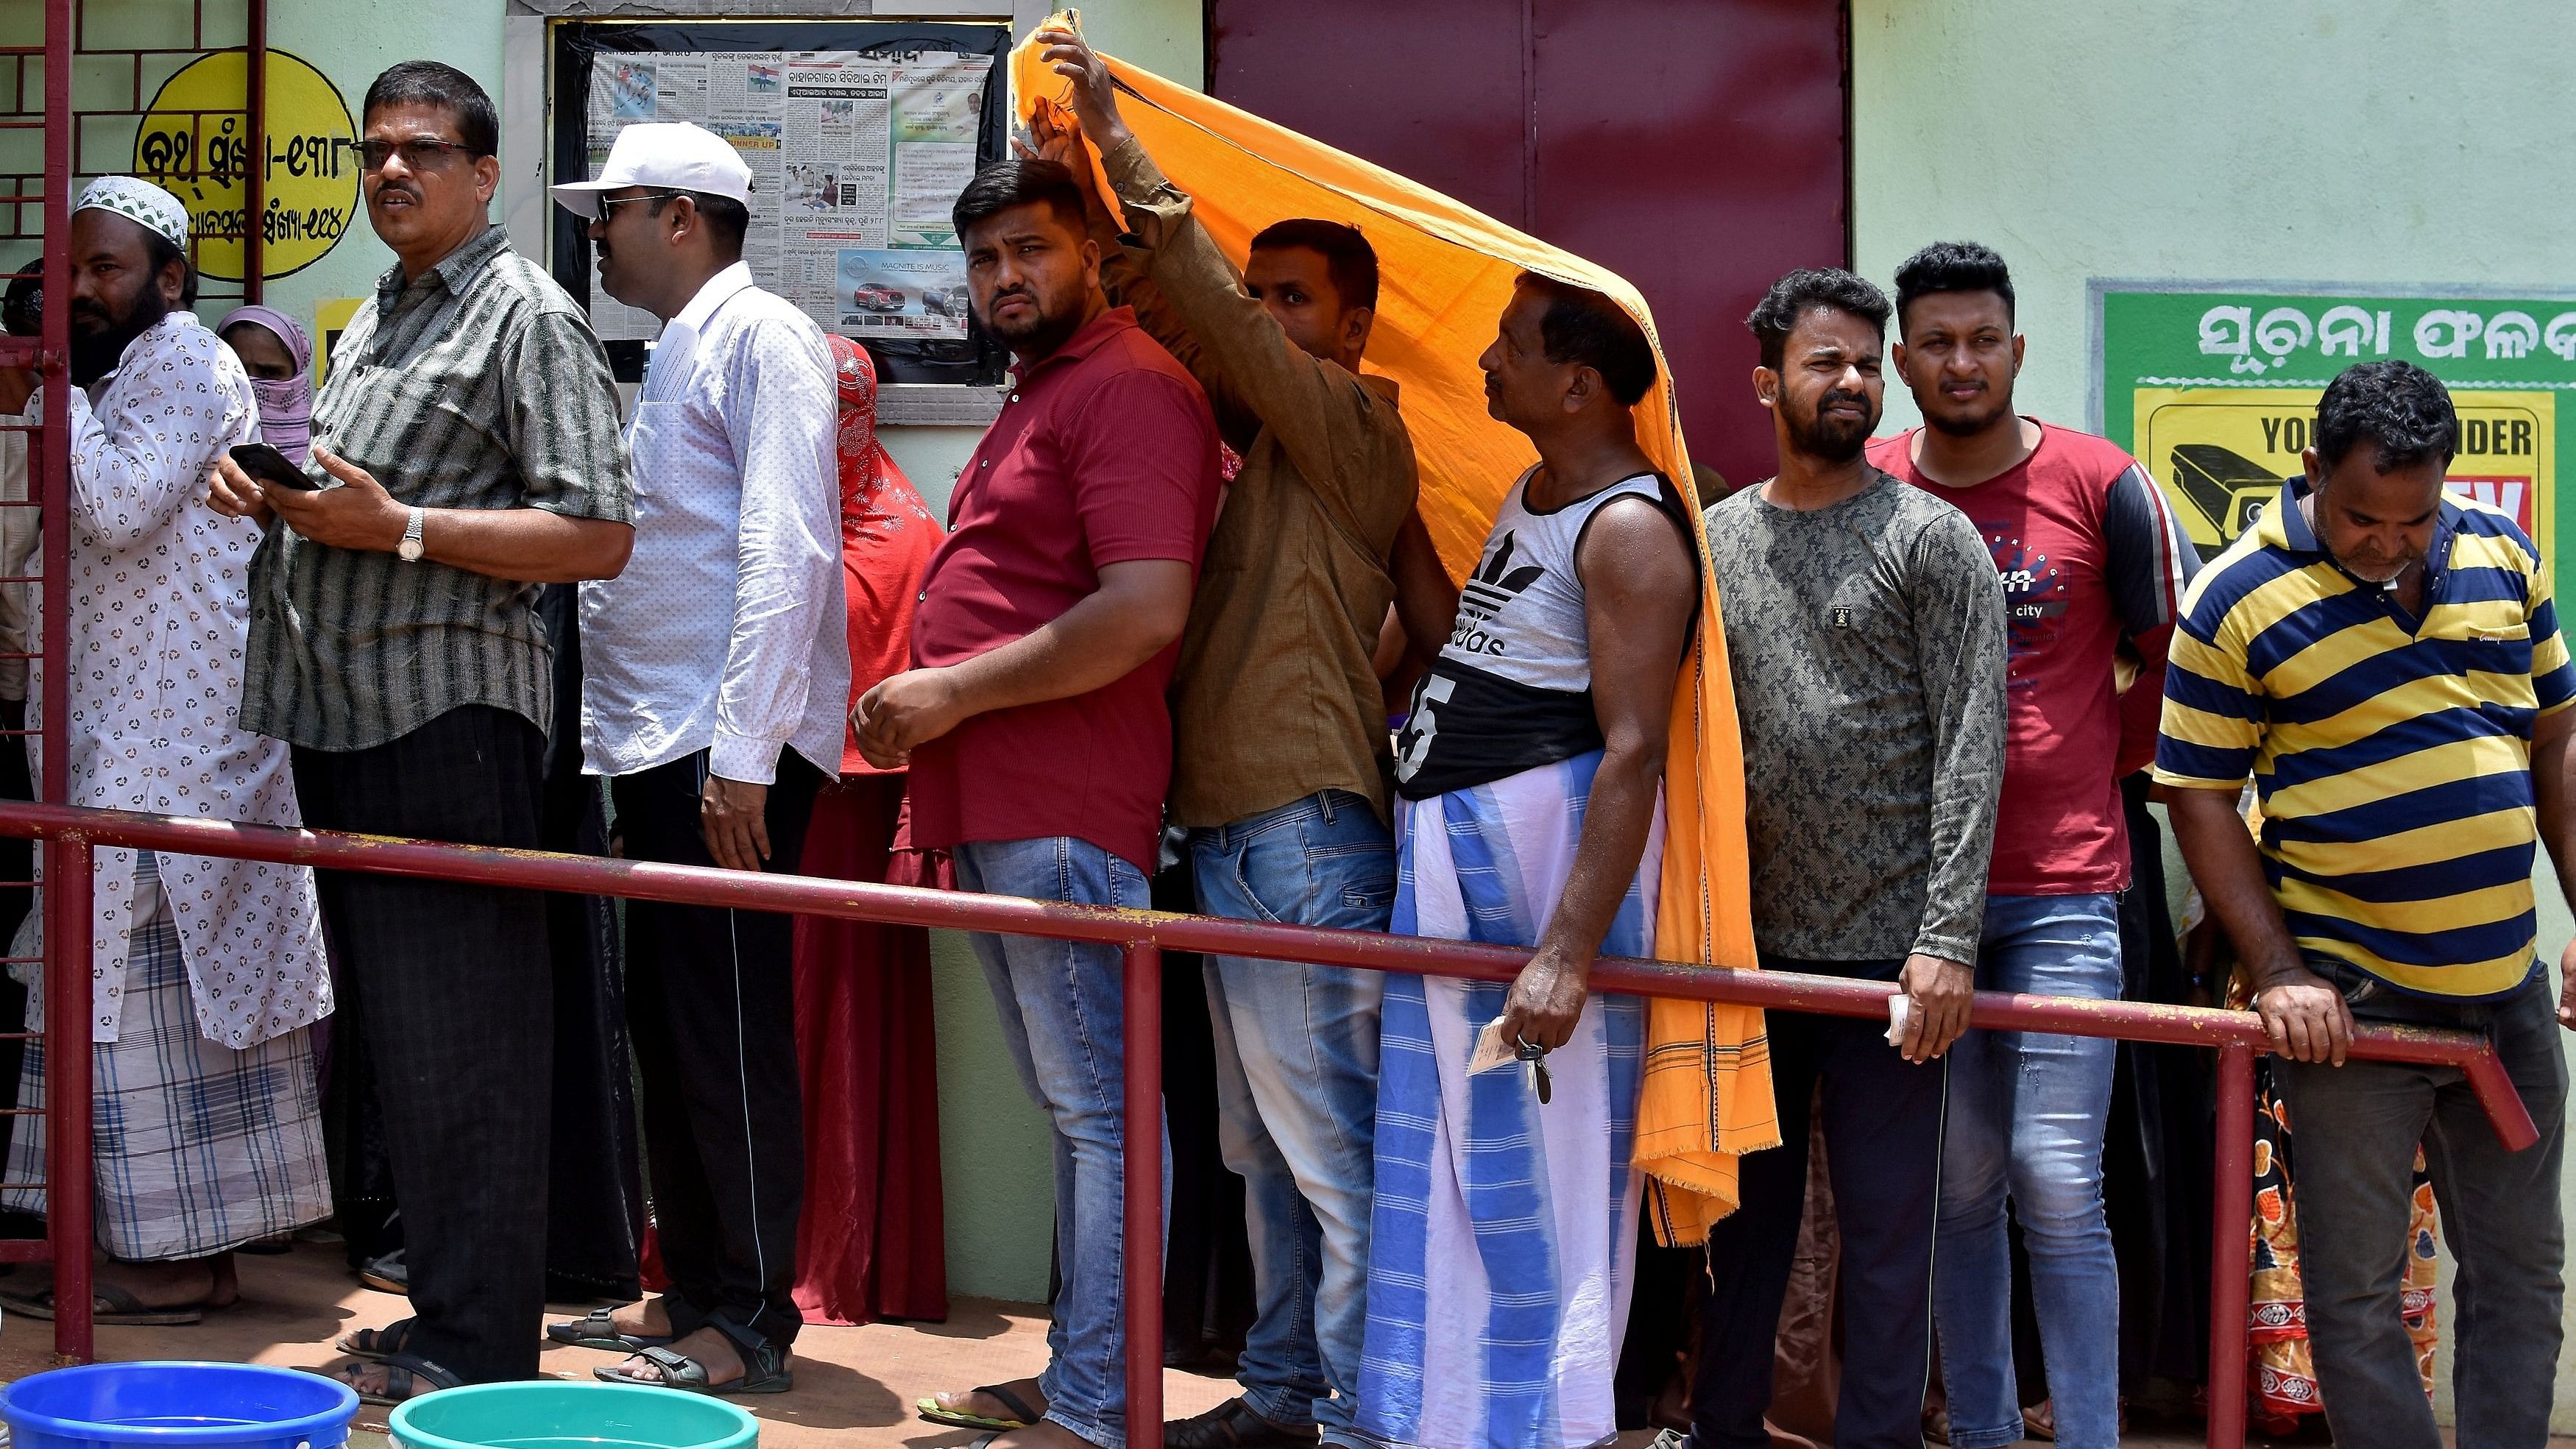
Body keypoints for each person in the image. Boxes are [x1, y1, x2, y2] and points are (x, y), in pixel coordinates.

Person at [987, 28, 1437, 1449]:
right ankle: (1293, 1389)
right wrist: (1075, 191)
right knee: (1261, 1155)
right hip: (1235, 836)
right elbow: (1152, 316)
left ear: (1355, 329)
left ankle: (1371, 1418)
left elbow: (1205, 325)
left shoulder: (1356, 421)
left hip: (1301, 832)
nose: (1264, 317)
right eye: (1261, 294)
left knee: (1336, 1162)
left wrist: (1120, 140)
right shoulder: (1252, 446)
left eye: (1294, 301)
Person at [206, 60, 634, 1404]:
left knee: (471, 1044)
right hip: (350, 719)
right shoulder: (389, 311)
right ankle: (450, 1314)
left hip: (450, 722)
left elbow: (599, 531)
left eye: (425, 151)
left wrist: (396, 526)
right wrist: (275, 496)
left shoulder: (524, 314)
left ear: (485, 172)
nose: (394, 171)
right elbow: (360, 496)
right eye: (378, 151)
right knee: (411, 1050)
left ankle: (483, 1344)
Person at [857, 157, 1219, 1449]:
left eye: (1032, 250)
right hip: (1011, 808)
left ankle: (1106, 1406)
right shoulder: (1048, 390)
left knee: (1106, 1122)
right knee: (1085, 1120)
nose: (1006, 277)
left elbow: (1144, 609)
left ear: (1096, 259)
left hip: (1066, 807)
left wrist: (949, 694)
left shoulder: (1126, 389)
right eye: (984, 258)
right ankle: (1085, 1376)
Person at [2154, 359, 2572, 1449]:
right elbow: (2198, 796)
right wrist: (2283, 971)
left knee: (2523, 1274)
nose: (2389, 542)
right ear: (2310, 471)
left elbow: (2559, 743)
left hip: (2506, 999)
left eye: (2413, 518)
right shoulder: (2235, 595)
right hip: (2358, 1014)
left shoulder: (2503, 554)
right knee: (2354, 1294)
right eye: (2360, 518)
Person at [1353, 274, 1696, 1449]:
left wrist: (1564, 954)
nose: (1487, 367)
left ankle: (1543, 1421)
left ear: (1578, 384)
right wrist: (1400, 506)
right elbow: (1468, 647)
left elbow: (1635, 750)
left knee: (1534, 1175)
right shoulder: (1535, 492)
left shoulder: (1632, 529)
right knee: (1449, 1163)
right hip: (1457, 867)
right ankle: (1452, 1419)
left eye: (1505, 349)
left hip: (1537, 882)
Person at [1864, 241, 2198, 1449]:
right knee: (1958, 1186)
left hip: (2068, 892)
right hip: (1915, 904)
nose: (1963, 361)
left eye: (1984, 339)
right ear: (1902, 360)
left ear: (2018, 349)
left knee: (2058, 1179)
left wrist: (2099, 767)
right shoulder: (1870, 483)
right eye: (1938, 342)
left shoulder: (2104, 483)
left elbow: (2182, 667)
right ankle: (1989, 1427)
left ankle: (2095, 1431)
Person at [540, 120, 844, 1397]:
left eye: (610, 210)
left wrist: (745, 756)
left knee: (722, 1030)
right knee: (670, 1029)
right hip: (667, 743)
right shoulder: (678, 347)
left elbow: (790, 551)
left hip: (726, 750)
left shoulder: (761, 333)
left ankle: (749, 1318)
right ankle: (699, 1287)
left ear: (678, 217)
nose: (594, 233)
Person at [0, 177, 331, 1322]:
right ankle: (166, 1258)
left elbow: (117, 509)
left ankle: (168, 1268)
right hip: (116, 747)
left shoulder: (182, 361)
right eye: (65, 274)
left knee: (147, 1005)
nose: (81, 292)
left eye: (104, 270)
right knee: (124, 1003)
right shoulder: (108, 378)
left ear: (170, 282)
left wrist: (51, 380)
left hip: (170, 759)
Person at [1687, 268, 2007, 1449]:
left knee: (1885, 1239)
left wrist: (1943, 945)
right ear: (1770, 381)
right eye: (1828, 363)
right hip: (1747, 960)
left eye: (1869, 364)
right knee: (1740, 1229)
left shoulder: (1934, 541)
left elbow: (1974, 750)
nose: (1856, 382)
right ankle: (1721, 1429)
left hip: (1889, 967)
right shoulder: (1715, 541)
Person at [788, 333, 949, 1327]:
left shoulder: (901, 533)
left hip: (851, 816)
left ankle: (835, 1260)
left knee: (835, 1031)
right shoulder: (784, 516)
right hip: (777, 802)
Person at [217, 305, 314, 466]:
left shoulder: (328, 451)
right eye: (238, 372)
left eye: (270, 373)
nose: (252, 386)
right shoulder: (195, 454)